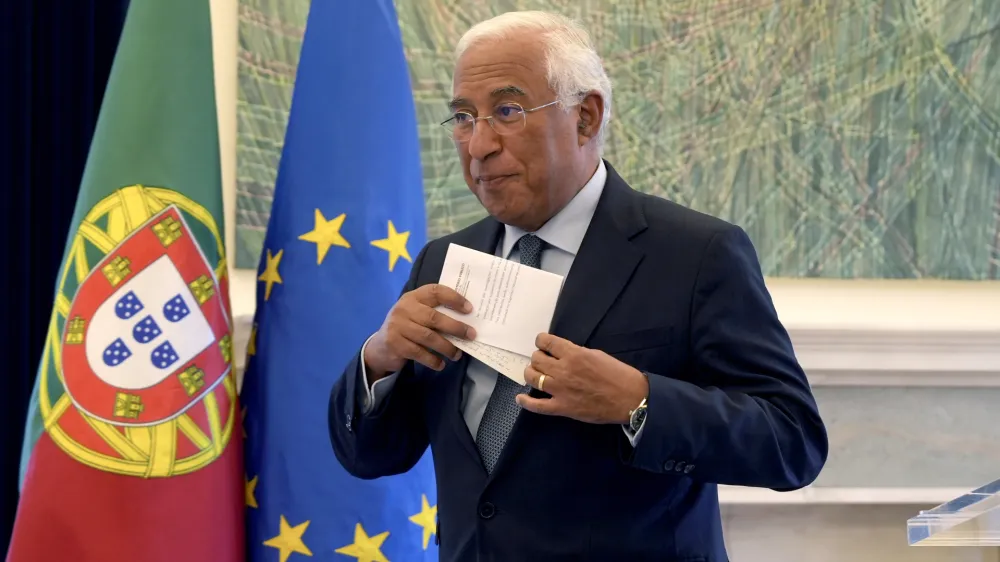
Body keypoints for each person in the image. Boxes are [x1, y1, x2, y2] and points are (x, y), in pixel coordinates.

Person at [328, 10, 828, 562]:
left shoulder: (696, 254)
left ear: (585, 117)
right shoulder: (443, 260)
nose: (478, 146)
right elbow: (370, 456)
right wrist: (379, 360)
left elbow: (792, 442)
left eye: (507, 111)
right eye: (464, 118)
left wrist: (639, 402)